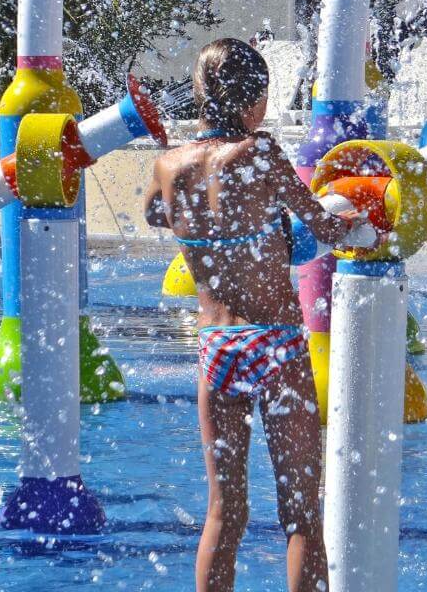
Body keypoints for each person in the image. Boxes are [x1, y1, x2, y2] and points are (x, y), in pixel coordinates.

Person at [144, 38, 364, 592]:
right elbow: (322, 225)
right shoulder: (259, 152)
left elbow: (153, 214)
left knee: (225, 511)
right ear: (257, 100)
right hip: (276, 345)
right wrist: (359, 224)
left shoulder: (168, 166)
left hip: (217, 348)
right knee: (300, 512)